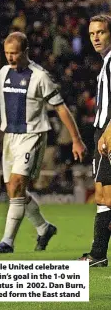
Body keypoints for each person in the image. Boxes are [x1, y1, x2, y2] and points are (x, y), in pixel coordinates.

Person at [0, 31, 87, 253]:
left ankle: (7, 242)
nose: (10, 58)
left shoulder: (40, 76)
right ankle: (43, 228)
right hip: (9, 137)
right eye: (7, 53)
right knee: (13, 189)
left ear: (26, 52)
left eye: (15, 53)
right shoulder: (3, 73)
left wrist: (76, 140)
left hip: (33, 136)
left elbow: (60, 108)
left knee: (18, 184)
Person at [79, 15, 111, 267]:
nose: (96, 37)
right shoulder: (105, 63)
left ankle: (98, 253)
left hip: (108, 132)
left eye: (101, 32)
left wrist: (109, 131)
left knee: (107, 197)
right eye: (92, 34)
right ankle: (98, 254)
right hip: (101, 132)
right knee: (102, 196)